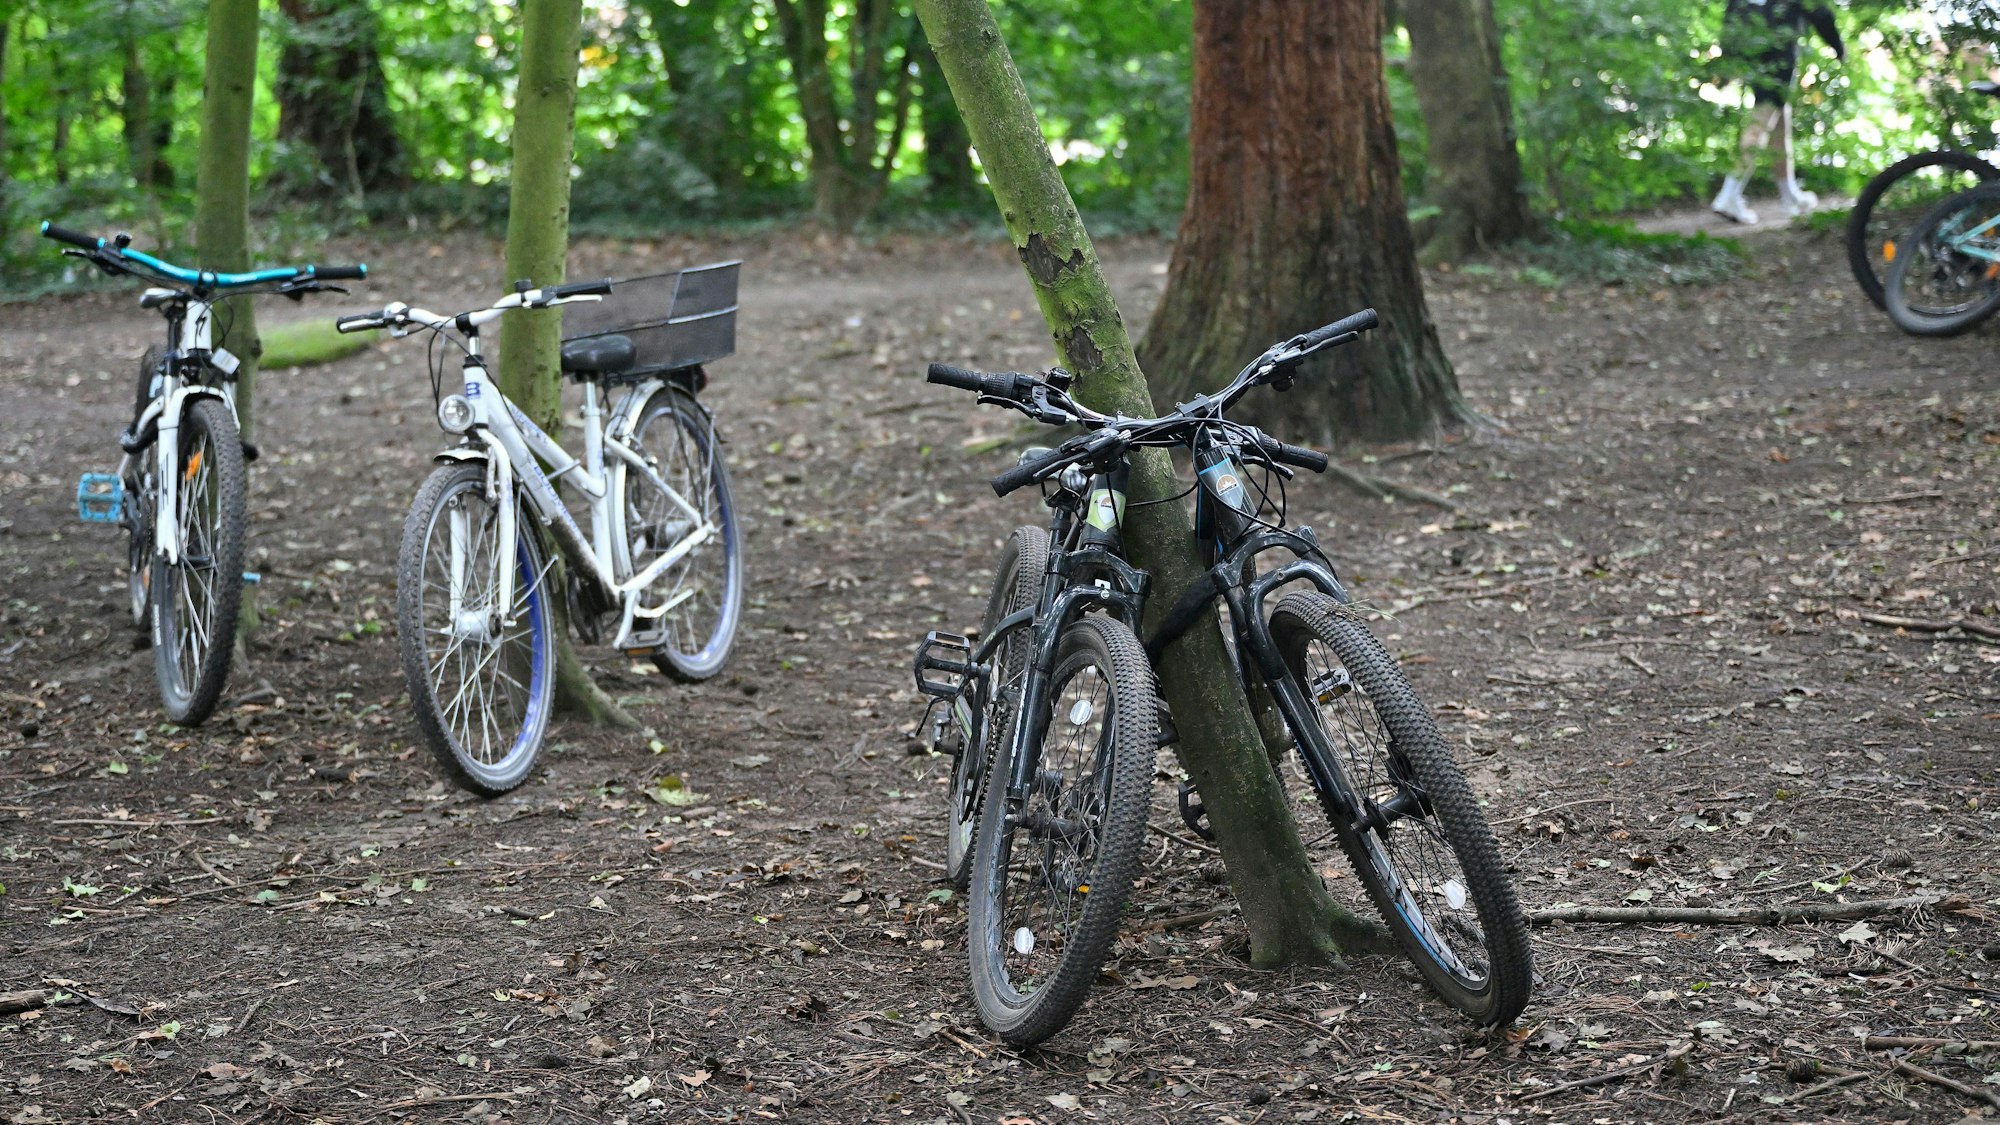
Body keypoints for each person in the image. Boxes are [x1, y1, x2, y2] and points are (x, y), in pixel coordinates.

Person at [1712, 0, 1845, 224]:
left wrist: (1728, 60)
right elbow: (1818, 11)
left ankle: (1789, 193)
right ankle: (1729, 194)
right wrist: (1838, 46)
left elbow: (1733, 13)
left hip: (1752, 54)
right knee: (1761, 124)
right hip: (1779, 56)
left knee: (1779, 124)